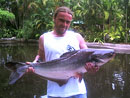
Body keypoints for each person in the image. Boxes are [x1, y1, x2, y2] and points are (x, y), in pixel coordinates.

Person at [27, 6, 99, 98]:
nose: (64, 24)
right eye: (61, 20)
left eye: (68, 22)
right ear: (54, 19)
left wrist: (93, 68)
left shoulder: (77, 37)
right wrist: (34, 64)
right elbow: (40, 57)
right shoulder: (44, 38)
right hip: (54, 93)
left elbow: (89, 56)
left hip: (78, 92)